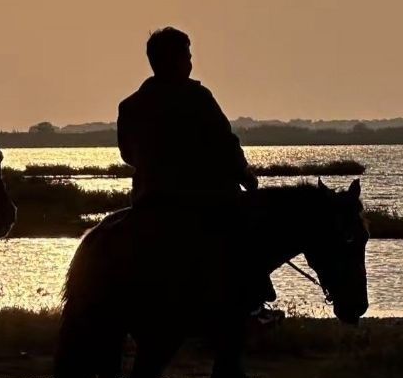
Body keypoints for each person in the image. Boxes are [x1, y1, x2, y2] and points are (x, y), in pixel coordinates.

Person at [117, 27, 281, 324]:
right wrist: (245, 176)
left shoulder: (129, 106)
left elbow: (128, 156)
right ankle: (253, 304)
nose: (191, 63)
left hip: (147, 200)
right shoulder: (198, 97)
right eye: (188, 56)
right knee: (249, 233)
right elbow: (226, 144)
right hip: (201, 200)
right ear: (177, 60)